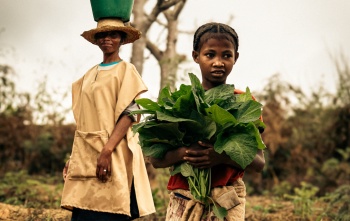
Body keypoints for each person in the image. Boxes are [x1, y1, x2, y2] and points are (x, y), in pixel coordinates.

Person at [148, 22, 265, 221]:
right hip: (184, 196)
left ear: (235, 57)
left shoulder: (243, 102)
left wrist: (221, 156)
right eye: (210, 54)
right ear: (196, 56)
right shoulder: (180, 103)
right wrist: (185, 153)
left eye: (226, 55)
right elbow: (156, 160)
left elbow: (259, 162)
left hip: (227, 198)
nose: (218, 62)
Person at [60, 18, 155, 221]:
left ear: (121, 39)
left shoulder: (126, 70)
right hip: (86, 152)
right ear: (96, 40)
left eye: (113, 35)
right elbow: (84, 121)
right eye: (102, 35)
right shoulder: (88, 75)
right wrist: (74, 158)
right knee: (83, 209)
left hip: (114, 150)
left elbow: (130, 113)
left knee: (111, 208)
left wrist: (107, 150)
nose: (107, 39)